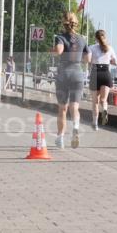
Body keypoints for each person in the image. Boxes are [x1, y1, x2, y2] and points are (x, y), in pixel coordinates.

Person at [51, 11, 88, 149]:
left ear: (64, 22)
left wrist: (52, 50)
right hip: (77, 74)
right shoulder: (82, 39)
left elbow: (59, 51)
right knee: (74, 106)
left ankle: (60, 138)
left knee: (62, 108)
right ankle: (76, 127)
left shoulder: (60, 37)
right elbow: (87, 59)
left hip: (63, 74)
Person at [86, 29, 117, 130]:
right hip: (105, 73)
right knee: (103, 100)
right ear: (105, 37)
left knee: (95, 101)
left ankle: (95, 124)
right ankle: (104, 109)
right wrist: (109, 60)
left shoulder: (91, 47)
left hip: (95, 73)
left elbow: (88, 60)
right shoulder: (110, 48)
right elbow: (115, 62)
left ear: (96, 38)